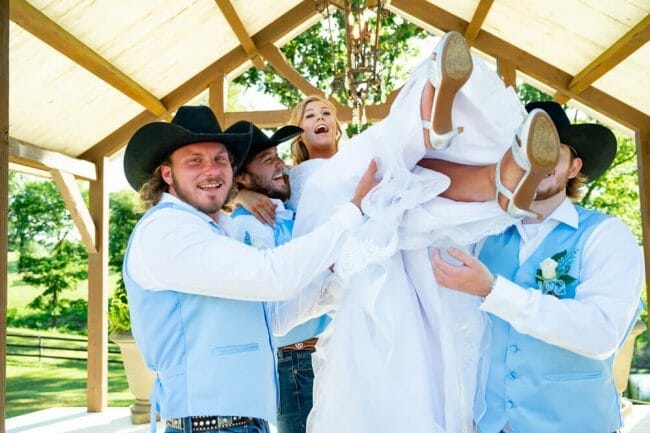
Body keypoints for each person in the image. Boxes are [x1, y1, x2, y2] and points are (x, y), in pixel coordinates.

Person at [281, 32, 561, 433]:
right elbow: (263, 196)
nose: (320, 118)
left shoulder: (352, 155)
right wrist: (250, 195)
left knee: (405, 185)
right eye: (309, 116)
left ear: (338, 126)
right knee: (388, 168)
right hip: (339, 238)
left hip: (387, 247)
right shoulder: (295, 177)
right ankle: (474, 162)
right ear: (299, 134)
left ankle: (486, 170)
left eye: (325, 112)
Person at [121, 105, 378, 433]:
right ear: (167, 174)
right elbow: (273, 277)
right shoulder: (167, 229)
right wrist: (352, 212)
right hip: (204, 428)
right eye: (194, 161)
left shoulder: (216, 228)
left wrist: (333, 282)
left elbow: (272, 317)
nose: (211, 170)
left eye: (220, 159)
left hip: (243, 424)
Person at [431, 101, 644, 433]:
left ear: (573, 167)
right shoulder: (483, 237)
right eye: (526, 154)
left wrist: (493, 290)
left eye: (549, 151)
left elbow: (600, 333)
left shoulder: (605, 235)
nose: (537, 162)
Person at [228, 120, 331, 433]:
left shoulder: (285, 206)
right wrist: (239, 195)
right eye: (268, 160)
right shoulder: (247, 227)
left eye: (278, 156)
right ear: (243, 178)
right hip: (296, 359)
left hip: (322, 349)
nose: (280, 165)